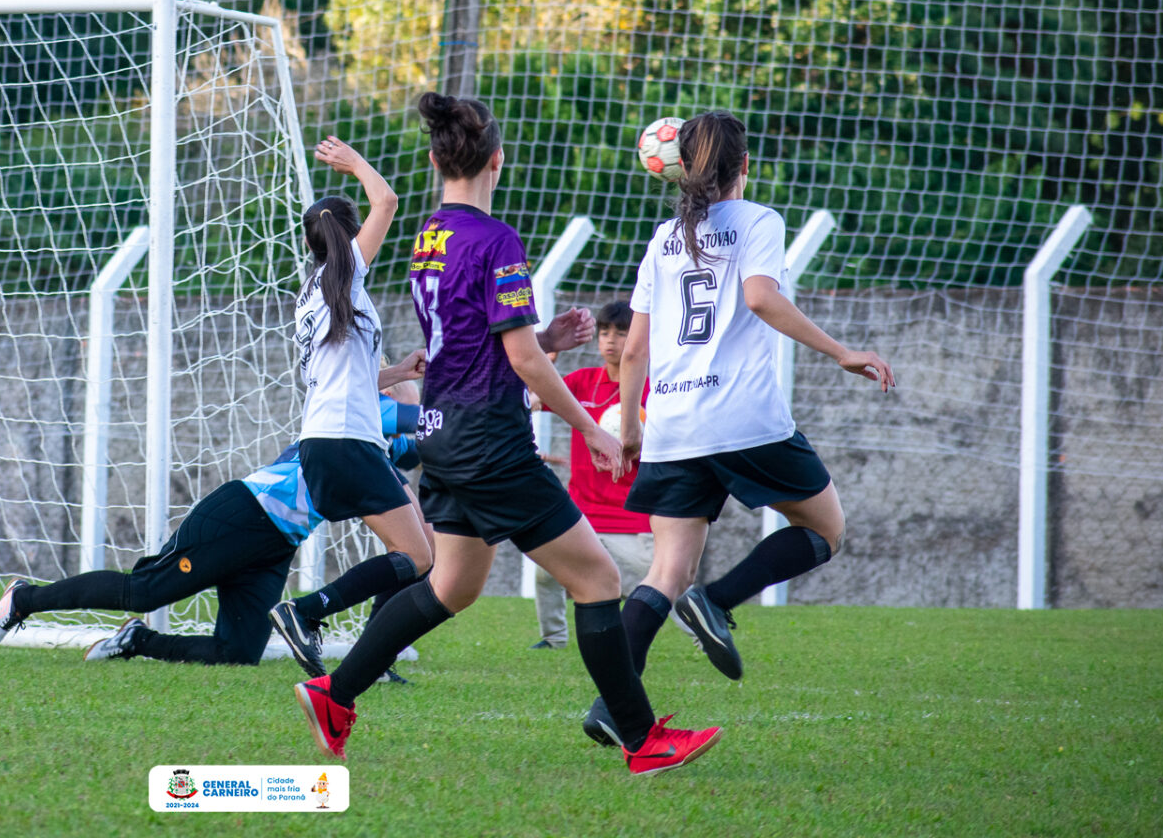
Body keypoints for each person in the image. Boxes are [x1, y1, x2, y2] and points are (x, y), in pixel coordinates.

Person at [291, 95, 718, 776]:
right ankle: (641, 739)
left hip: (441, 431)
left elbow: (476, 346)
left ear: (436, 161)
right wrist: (591, 429)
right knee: (599, 576)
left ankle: (335, 693)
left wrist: (544, 340)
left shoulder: (429, 234)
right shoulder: (498, 241)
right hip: (491, 441)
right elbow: (518, 360)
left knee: (454, 584)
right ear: (498, 159)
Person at [609, 110, 893, 723]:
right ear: (744, 165)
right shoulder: (758, 219)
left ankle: (613, 706)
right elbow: (761, 297)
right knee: (825, 530)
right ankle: (717, 601)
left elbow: (634, 350)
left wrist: (630, 427)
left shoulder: (662, 239)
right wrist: (843, 351)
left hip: (673, 423)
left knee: (665, 569)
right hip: (741, 416)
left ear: (682, 168)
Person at [0, 350, 427, 666]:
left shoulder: (380, 442)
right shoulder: (366, 409)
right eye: (410, 381)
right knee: (144, 591)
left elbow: (411, 451)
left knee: (236, 654)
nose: (417, 386)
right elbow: (421, 423)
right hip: (243, 516)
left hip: (275, 547)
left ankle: (140, 641)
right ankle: (25, 598)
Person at [264, 136, 434, 676]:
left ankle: (368, 652)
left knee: (414, 554)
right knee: (423, 557)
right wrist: (354, 162)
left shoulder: (315, 293)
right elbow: (387, 201)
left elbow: (345, 376)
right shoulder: (349, 275)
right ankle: (306, 612)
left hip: (326, 440)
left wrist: (399, 373)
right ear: (348, 231)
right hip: (347, 442)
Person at [532, 299, 653, 651]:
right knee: (544, 571)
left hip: (630, 514)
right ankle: (553, 639)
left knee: (664, 580)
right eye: (604, 333)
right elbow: (532, 399)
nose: (610, 341)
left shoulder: (652, 389)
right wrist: (541, 367)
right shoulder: (582, 383)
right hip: (580, 511)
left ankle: (703, 637)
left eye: (621, 333)